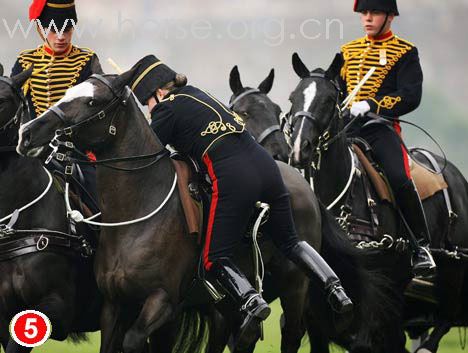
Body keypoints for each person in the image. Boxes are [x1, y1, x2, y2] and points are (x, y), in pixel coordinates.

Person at [128, 54, 353, 348]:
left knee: (214, 258)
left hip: (235, 178)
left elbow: (149, 156)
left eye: (147, 101)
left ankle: (250, 299)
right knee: (290, 242)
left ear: (158, 91)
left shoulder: (165, 111)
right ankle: (336, 289)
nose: (148, 108)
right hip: (270, 171)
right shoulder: (199, 94)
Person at [337, 0, 436, 277]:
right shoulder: (348, 51)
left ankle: (421, 246)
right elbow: (336, 89)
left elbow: (410, 95)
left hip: (379, 127)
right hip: (346, 127)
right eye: (364, 13)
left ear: (390, 17)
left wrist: (372, 104)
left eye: (375, 12)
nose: (367, 18)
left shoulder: (405, 52)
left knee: (398, 176)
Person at [11, 0, 103, 211]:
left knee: (98, 205)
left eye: (67, 29)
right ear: (41, 29)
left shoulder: (86, 60)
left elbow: (97, 107)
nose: (61, 37)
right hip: (31, 150)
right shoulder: (25, 61)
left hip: (75, 151)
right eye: (53, 30)